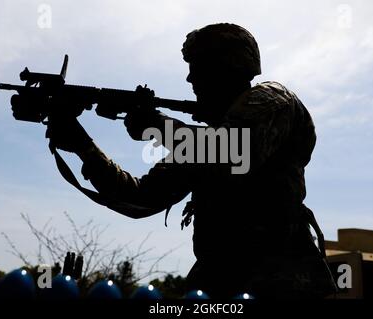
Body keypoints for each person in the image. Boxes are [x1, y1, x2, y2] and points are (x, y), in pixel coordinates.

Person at [46, 23, 336, 299]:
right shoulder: (200, 145)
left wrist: (157, 126)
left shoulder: (273, 98)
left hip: (279, 283)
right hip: (218, 282)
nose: (190, 79)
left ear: (226, 68)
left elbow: (234, 152)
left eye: (197, 69)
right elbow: (140, 197)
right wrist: (82, 145)